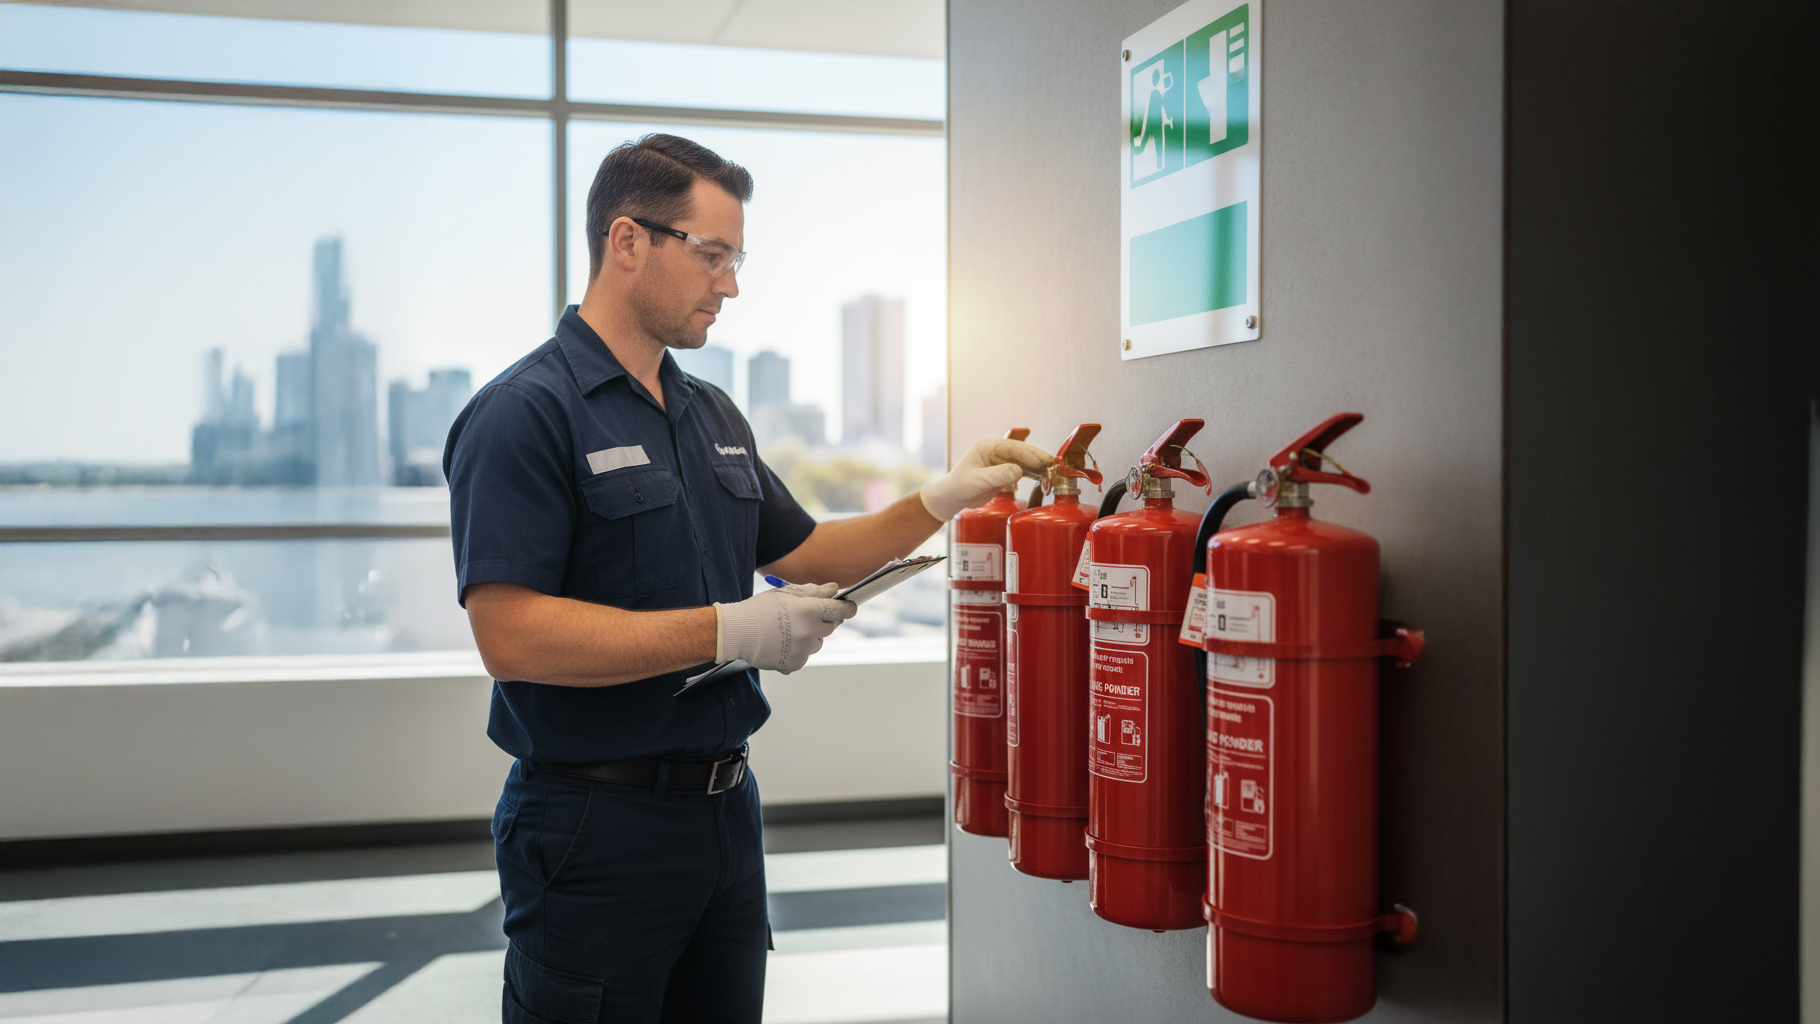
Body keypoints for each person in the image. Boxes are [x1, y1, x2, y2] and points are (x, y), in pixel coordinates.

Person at [443, 133, 1051, 1024]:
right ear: (627, 241)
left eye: (737, 259)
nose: (729, 284)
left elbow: (809, 552)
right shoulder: (522, 414)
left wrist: (944, 496)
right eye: (712, 254)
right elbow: (511, 635)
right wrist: (731, 630)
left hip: (725, 814)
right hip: (591, 824)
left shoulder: (711, 414)